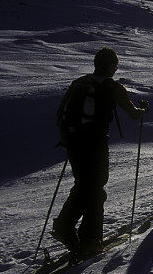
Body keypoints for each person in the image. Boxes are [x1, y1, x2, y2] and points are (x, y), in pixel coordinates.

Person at [52, 47, 147, 255]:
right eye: (115, 65)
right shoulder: (113, 87)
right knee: (95, 188)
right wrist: (143, 110)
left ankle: (67, 228)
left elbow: (61, 112)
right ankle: (88, 238)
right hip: (96, 143)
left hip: (74, 143)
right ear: (111, 67)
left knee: (85, 185)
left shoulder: (79, 83)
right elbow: (132, 114)